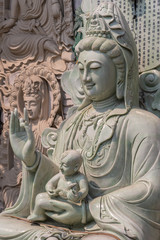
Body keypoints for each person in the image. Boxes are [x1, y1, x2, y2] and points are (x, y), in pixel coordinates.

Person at [1, 2, 160, 240]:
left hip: (109, 225)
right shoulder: (74, 122)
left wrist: (87, 211)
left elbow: (152, 188)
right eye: (82, 68)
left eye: (94, 68)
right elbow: (59, 174)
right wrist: (32, 159)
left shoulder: (141, 124)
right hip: (62, 220)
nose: (85, 78)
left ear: (119, 71)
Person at [27, 150, 88, 222]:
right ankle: (39, 214)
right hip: (58, 197)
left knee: (40, 202)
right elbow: (50, 183)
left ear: (76, 167)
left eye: (64, 165)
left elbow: (84, 189)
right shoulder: (61, 175)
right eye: (60, 164)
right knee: (39, 196)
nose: (60, 167)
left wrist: (77, 195)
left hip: (67, 203)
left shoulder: (80, 178)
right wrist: (50, 189)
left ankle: (38, 215)